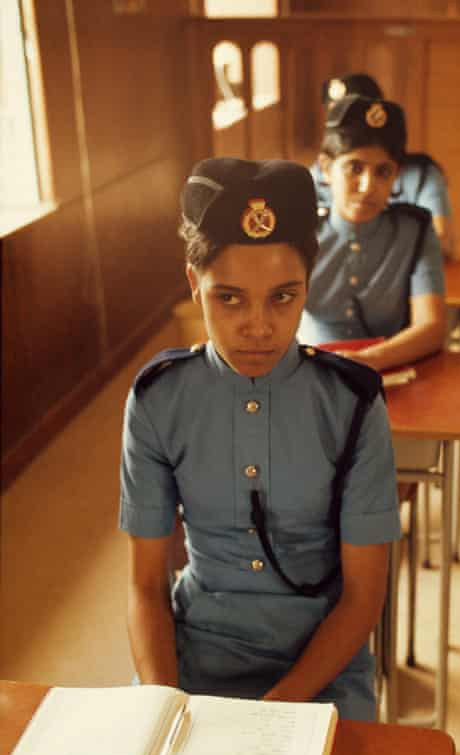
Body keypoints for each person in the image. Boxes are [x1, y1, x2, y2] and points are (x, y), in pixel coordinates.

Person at [119, 157, 401, 722]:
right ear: (194, 283)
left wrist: (272, 714)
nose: (259, 325)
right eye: (229, 298)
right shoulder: (157, 398)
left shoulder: (352, 402)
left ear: (307, 284)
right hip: (194, 655)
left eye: (282, 296)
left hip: (321, 665)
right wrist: (164, 705)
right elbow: (146, 585)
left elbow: (364, 597)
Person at [299, 95, 446, 371]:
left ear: (396, 175)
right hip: (310, 369)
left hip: (391, 366)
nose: (368, 186)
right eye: (355, 168)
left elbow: (432, 326)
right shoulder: (299, 231)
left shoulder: (415, 230)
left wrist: (368, 361)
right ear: (327, 168)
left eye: (383, 172)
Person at [312, 73, 454, 257]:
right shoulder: (314, 175)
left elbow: (439, 240)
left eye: (352, 118)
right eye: (335, 116)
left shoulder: (420, 175)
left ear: (377, 115)